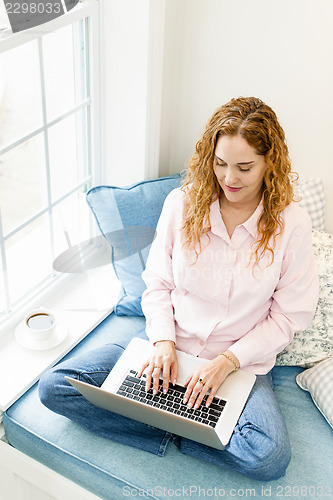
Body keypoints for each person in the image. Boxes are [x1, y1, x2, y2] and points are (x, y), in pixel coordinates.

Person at [39, 96, 319, 481]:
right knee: (54, 386)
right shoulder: (182, 204)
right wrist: (163, 343)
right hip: (167, 340)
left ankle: (167, 422)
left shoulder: (292, 225)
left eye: (244, 167)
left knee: (268, 457)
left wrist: (228, 362)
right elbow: (156, 283)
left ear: (270, 162)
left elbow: (289, 317)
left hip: (237, 362)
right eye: (220, 164)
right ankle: (183, 426)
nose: (230, 179)